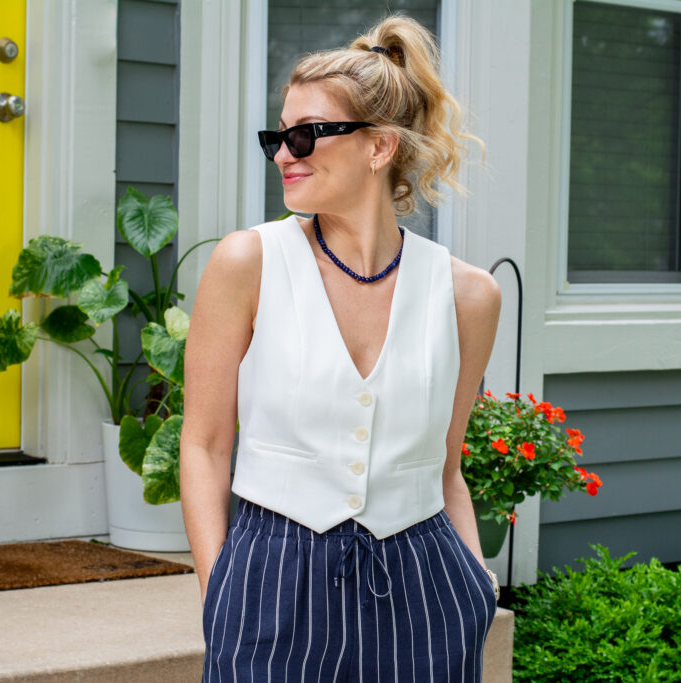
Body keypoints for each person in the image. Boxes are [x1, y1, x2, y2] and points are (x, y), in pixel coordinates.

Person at [181, 14, 502, 682]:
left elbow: (447, 467)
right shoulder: (249, 263)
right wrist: (221, 595)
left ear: (378, 148)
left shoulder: (467, 296)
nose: (283, 154)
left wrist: (475, 582)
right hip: (272, 580)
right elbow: (205, 444)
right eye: (278, 136)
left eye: (305, 135)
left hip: (423, 589)